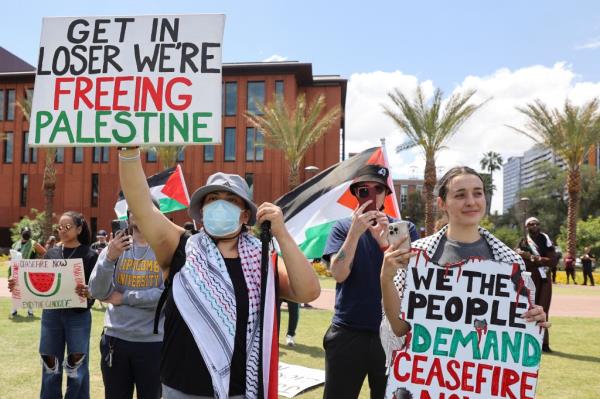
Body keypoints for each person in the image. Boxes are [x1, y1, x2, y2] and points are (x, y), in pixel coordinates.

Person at [117, 147, 320, 399]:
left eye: (231, 200)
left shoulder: (263, 260)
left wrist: (282, 234)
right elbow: (141, 206)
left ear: (245, 215)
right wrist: (128, 151)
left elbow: (308, 291)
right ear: (202, 210)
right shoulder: (180, 246)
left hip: (240, 391)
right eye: (213, 199)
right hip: (182, 388)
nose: (221, 205)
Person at [380, 167, 549, 365]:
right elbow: (400, 328)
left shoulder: (510, 261)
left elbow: (514, 331)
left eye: (477, 193)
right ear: (442, 203)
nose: (471, 202)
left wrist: (533, 317)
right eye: (460, 195)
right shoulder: (417, 255)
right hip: (427, 376)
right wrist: (386, 278)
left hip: (480, 379)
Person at [322, 164, 418, 399]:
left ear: (387, 194)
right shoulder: (343, 228)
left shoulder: (404, 229)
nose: (372, 195)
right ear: (355, 193)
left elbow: (413, 280)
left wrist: (385, 243)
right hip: (347, 332)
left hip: (392, 334)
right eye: (364, 190)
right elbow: (339, 273)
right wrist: (354, 233)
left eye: (378, 189)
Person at [8, 211, 98, 399]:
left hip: (78, 317)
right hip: (51, 316)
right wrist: (17, 283)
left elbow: (96, 289)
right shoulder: (51, 253)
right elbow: (37, 284)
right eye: (60, 227)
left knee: (77, 367)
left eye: (67, 227)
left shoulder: (90, 255)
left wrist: (88, 292)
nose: (62, 231)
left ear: (79, 229)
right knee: (50, 364)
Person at [89, 201, 164, 399]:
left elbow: (166, 296)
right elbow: (96, 291)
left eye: (144, 208)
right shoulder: (114, 249)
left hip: (153, 342)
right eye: (133, 210)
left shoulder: (165, 249)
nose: (138, 213)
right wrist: (109, 259)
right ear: (128, 216)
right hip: (116, 340)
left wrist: (124, 297)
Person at [516, 217, 556, 353]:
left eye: (536, 224)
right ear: (526, 227)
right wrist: (523, 255)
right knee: (527, 309)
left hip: (544, 280)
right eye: (530, 224)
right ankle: (526, 343)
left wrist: (533, 258)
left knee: (542, 310)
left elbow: (552, 261)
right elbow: (520, 261)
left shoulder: (545, 239)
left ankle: (543, 343)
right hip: (530, 279)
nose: (534, 226)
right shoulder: (523, 241)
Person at [10, 226, 46, 317]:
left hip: (29, 272)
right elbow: (11, 257)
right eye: (24, 232)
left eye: (27, 232)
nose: (26, 233)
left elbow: (45, 253)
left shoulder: (34, 244)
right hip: (17, 272)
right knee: (16, 290)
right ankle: (14, 309)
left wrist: (38, 263)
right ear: (21, 233)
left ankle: (30, 311)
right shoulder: (15, 244)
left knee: (29, 290)